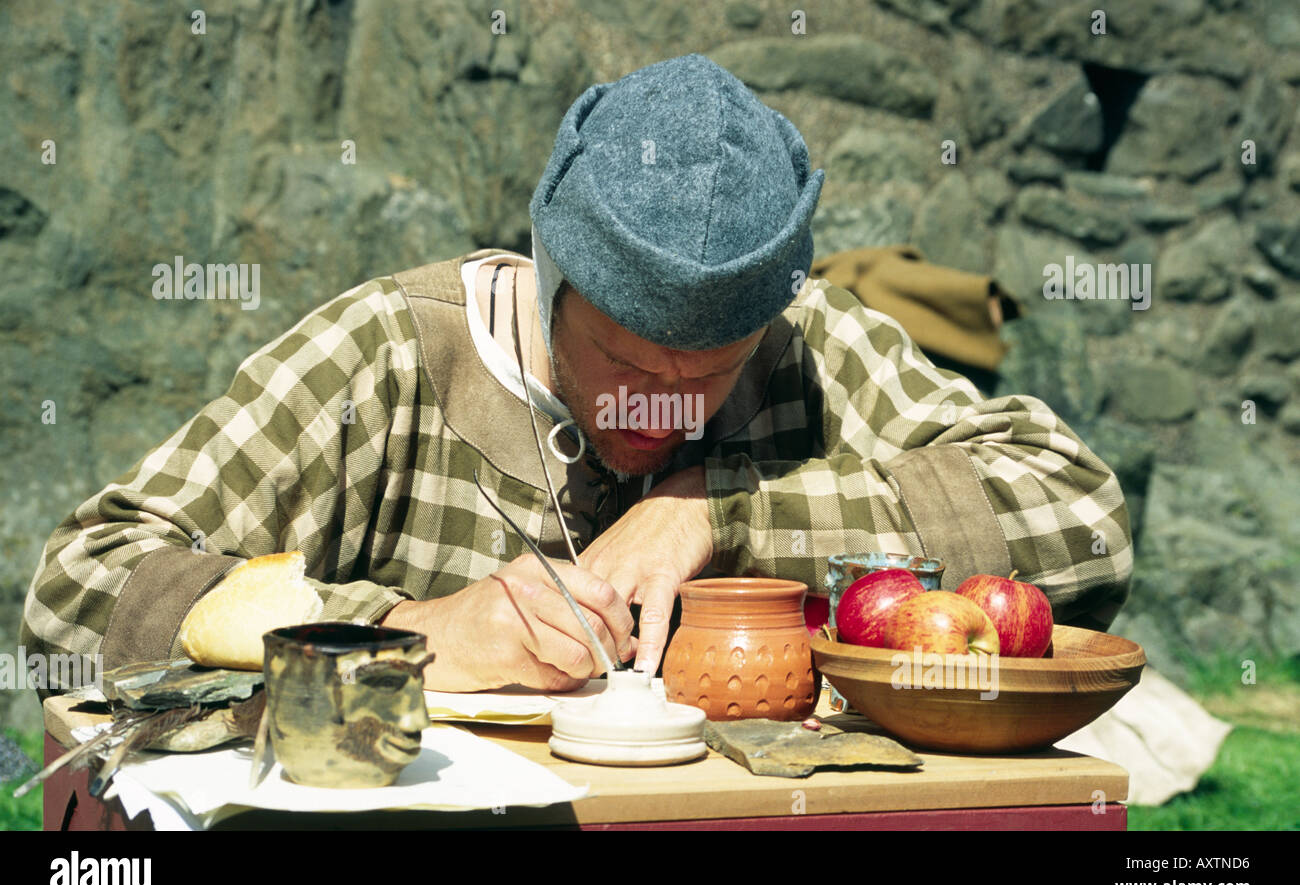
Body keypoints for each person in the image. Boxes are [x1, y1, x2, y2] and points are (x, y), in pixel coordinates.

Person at [21, 54, 1132, 698]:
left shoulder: (808, 344)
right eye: (626, 363)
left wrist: (723, 514)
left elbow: (1083, 521)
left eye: (712, 373)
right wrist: (407, 636)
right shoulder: (389, 354)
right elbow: (77, 589)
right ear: (549, 277)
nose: (669, 407)